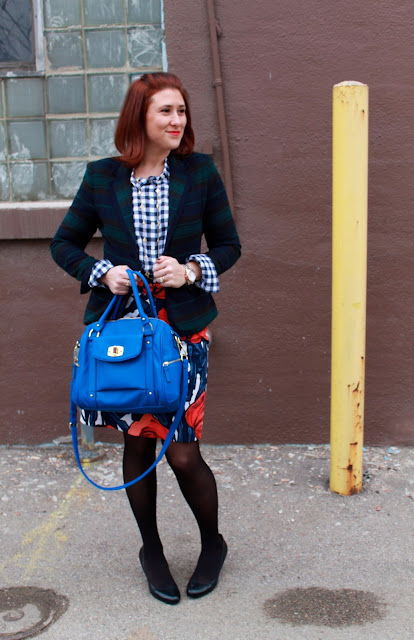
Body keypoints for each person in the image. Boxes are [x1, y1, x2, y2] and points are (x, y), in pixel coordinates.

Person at [51, 72, 241, 605]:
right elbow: (64, 243)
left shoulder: (199, 172)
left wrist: (190, 270)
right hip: (126, 338)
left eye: (181, 111)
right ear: (140, 118)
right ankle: (151, 550)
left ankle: (213, 543)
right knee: (136, 446)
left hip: (181, 334)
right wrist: (102, 273)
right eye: (166, 111)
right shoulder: (103, 177)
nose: (177, 120)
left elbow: (228, 244)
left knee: (182, 453)